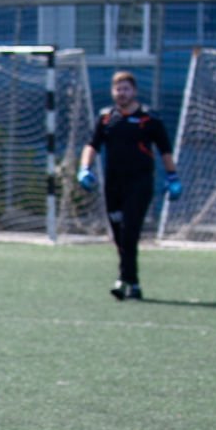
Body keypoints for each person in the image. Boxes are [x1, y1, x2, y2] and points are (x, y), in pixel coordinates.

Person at [77, 70, 181, 300]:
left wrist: (172, 176)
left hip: (140, 183)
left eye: (125, 89)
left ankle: (122, 279)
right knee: (119, 236)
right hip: (114, 185)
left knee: (129, 231)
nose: (121, 93)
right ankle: (133, 283)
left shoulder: (149, 119)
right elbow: (92, 145)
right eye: (117, 89)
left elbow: (165, 150)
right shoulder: (106, 118)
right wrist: (84, 168)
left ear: (134, 91)